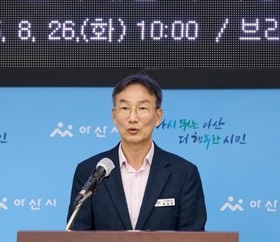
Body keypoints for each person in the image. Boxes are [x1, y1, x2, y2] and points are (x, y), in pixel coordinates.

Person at [66, 73, 206, 231]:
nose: (132, 118)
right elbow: (78, 238)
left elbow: (193, 240)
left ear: (158, 116)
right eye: (125, 108)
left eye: (142, 108)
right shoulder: (90, 171)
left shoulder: (184, 173)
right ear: (114, 115)